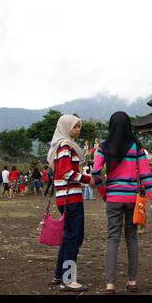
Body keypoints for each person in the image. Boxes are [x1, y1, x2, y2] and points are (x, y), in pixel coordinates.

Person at [92, 111, 152, 295]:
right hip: (132, 199)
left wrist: (104, 192)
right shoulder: (137, 147)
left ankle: (110, 285)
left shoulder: (104, 147)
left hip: (113, 198)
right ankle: (132, 281)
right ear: (129, 125)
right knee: (132, 238)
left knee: (112, 238)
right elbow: (145, 174)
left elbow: (96, 173)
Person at [47, 114, 95, 292]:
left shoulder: (61, 146)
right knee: (74, 237)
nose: (78, 130)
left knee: (68, 237)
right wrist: (88, 180)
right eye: (75, 127)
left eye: (79, 126)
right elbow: (66, 172)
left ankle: (59, 274)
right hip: (71, 197)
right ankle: (68, 279)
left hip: (65, 197)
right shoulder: (65, 146)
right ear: (66, 128)